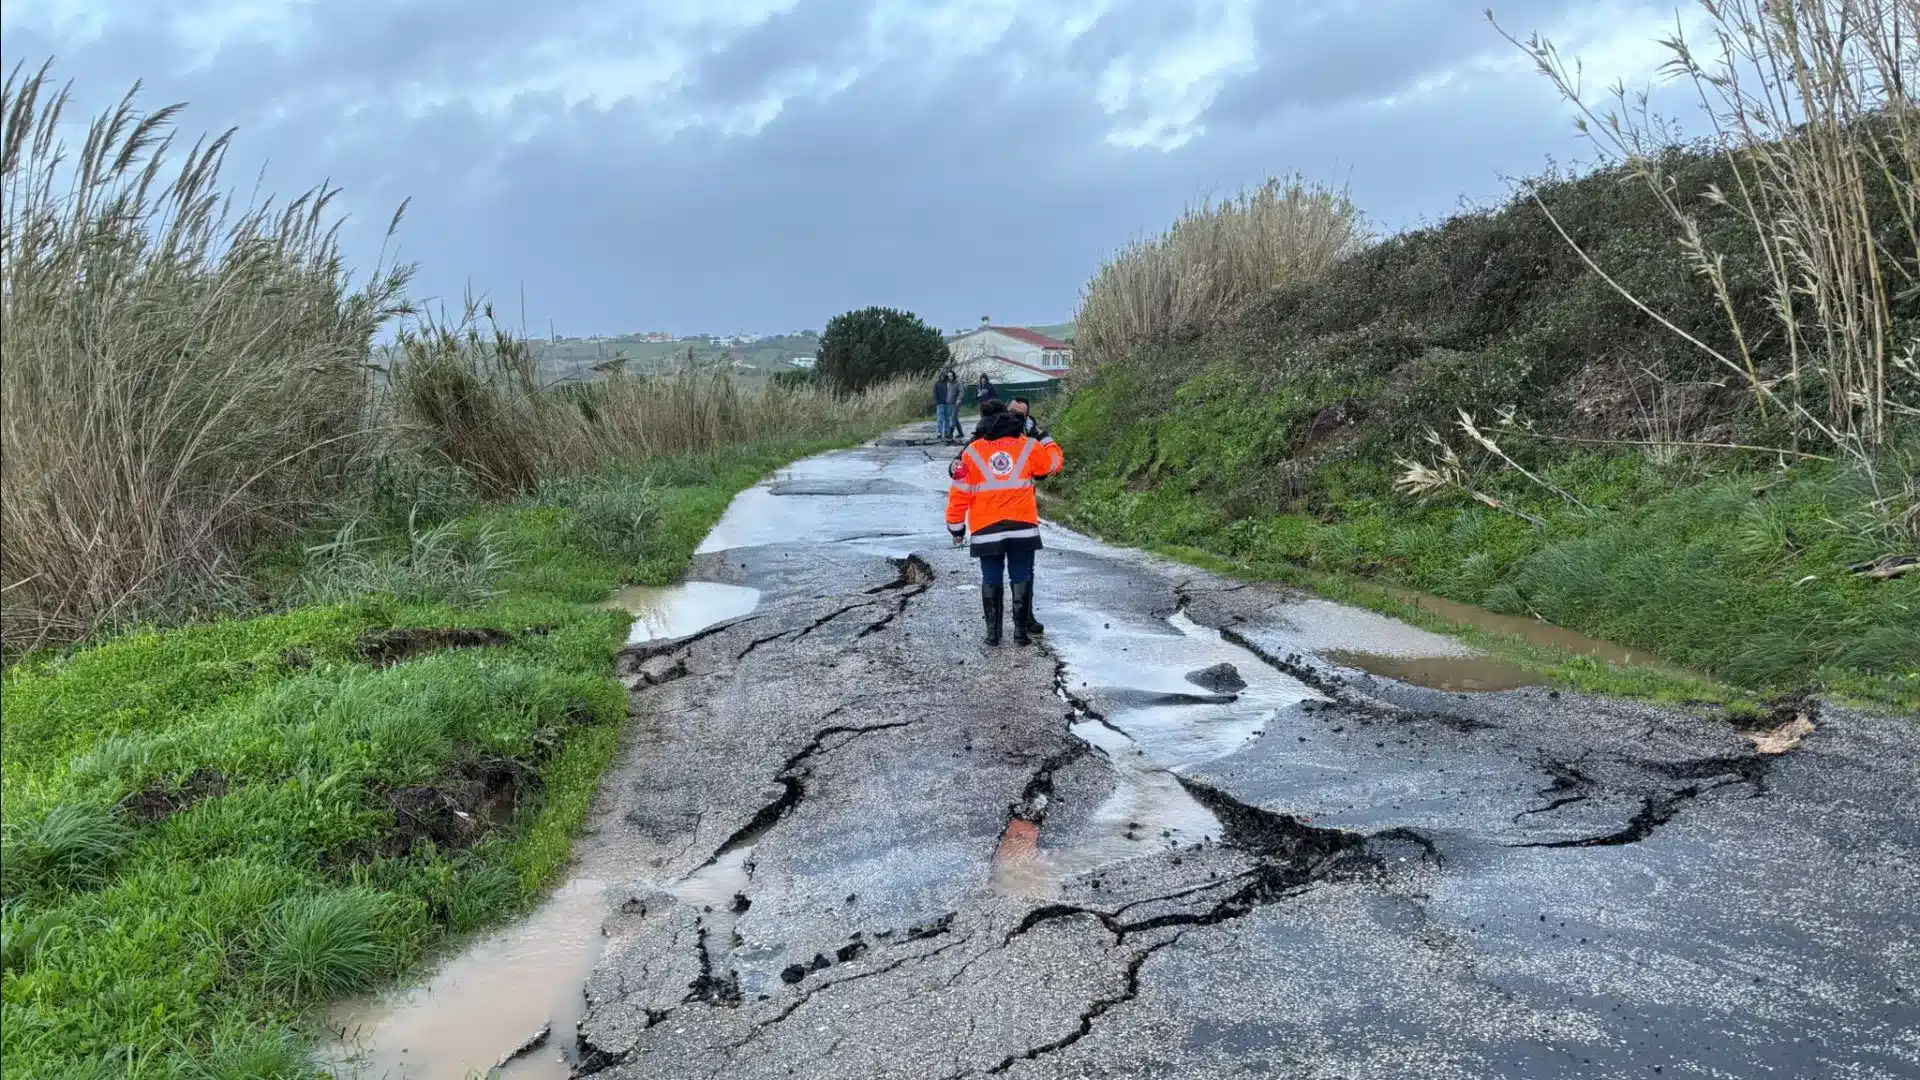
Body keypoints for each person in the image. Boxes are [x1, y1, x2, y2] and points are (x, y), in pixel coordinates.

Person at [945, 399, 1064, 647]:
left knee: (991, 578)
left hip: (986, 529)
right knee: (1021, 575)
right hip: (1022, 526)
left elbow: (959, 492)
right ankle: (1020, 634)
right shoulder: (1028, 446)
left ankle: (993, 635)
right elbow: (1052, 465)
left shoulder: (972, 451)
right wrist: (1048, 441)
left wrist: (956, 527)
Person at [932, 370, 957, 442]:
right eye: (941, 376)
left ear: (945, 376)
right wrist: (937, 402)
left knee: (947, 419)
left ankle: (946, 432)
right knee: (940, 418)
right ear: (939, 376)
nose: (942, 377)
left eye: (943, 376)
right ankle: (939, 432)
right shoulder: (937, 384)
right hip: (940, 404)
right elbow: (935, 393)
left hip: (948, 404)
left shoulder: (948, 383)